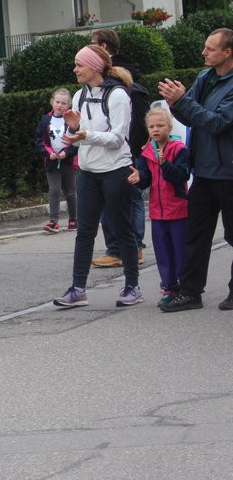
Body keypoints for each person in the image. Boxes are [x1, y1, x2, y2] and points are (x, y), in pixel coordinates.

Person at [51, 45, 142, 309]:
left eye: (79, 65)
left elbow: (117, 138)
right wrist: (76, 131)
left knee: (122, 229)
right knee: (85, 232)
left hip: (116, 171)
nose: (75, 69)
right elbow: (83, 139)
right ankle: (78, 289)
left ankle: (133, 286)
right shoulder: (79, 96)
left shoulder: (118, 96)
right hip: (89, 173)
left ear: (94, 67)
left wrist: (85, 135)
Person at [157, 27, 233, 312]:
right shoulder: (206, 77)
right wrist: (175, 102)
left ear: (228, 52)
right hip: (203, 171)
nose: (203, 52)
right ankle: (190, 292)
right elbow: (191, 117)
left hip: (228, 173)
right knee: (196, 235)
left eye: (210, 49)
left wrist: (183, 101)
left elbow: (216, 122)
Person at [91, 27, 147, 267]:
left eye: (93, 44)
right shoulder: (130, 74)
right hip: (132, 147)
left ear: (103, 48)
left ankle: (120, 249)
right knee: (131, 199)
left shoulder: (113, 81)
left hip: (119, 150)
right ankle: (134, 247)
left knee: (118, 200)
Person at [127, 106, 190, 304]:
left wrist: (165, 165)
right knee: (162, 251)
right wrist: (138, 178)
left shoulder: (178, 149)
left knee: (180, 250)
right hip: (157, 212)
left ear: (169, 127)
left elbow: (182, 175)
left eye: (160, 125)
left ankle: (185, 286)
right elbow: (146, 180)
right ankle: (169, 287)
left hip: (178, 209)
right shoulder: (147, 152)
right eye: (152, 126)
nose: (156, 130)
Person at [34, 88, 79, 233]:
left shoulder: (71, 121)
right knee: (54, 190)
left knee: (71, 192)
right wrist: (49, 154)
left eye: (64, 103)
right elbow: (39, 140)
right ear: (52, 102)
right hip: (52, 162)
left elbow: (76, 141)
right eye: (57, 102)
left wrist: (67, 153)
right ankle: (53, 221)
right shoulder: (45, 120)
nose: (60, 105)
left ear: (69, 105)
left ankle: (74, 219)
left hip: (68, 162)